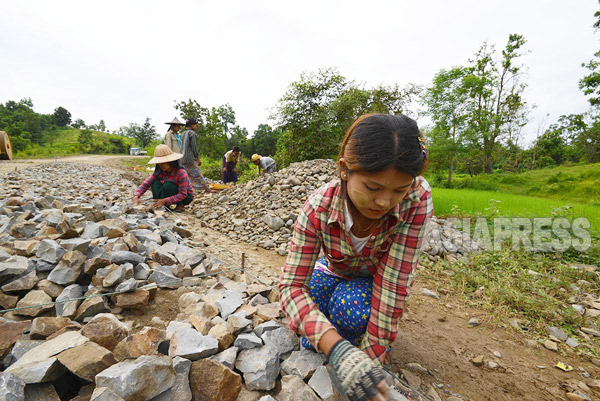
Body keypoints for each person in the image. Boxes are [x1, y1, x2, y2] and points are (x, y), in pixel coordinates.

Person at [279, 114, 433, 401]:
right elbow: (291, 287)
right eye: (373, 188)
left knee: (352, 308)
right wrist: (336, 348)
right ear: (345, 170)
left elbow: (393, 283)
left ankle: (345, 334)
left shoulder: (417, 199)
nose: (384, 202)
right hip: (333, 271)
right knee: (311, 308)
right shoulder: (318, 208)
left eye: (398, 190)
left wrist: (371, 361)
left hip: (372, 282)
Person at [132, 144, 194, 212]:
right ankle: (161, 204)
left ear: (170, 161)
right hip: (170, 196)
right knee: (155, 183)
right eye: (159, 163)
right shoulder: (159, 172)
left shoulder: (181, 173)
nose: (161, 165)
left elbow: (183, 194)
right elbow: (146, 184)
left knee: (168, 185)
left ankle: (180, 205)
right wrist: (136, 196)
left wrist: (165, 200)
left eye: (163, 162)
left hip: (185, 197)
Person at [180, 118, 211, 193]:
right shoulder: (192, 133)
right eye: (196, 126)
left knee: (186, 175)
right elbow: (194, 148)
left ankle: (187, 189)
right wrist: (198, 158)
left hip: (182, 157)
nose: (196, 127)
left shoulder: (183, 133)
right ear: (192, 125)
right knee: (198, 173)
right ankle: (206, 189)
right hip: (190, 158)